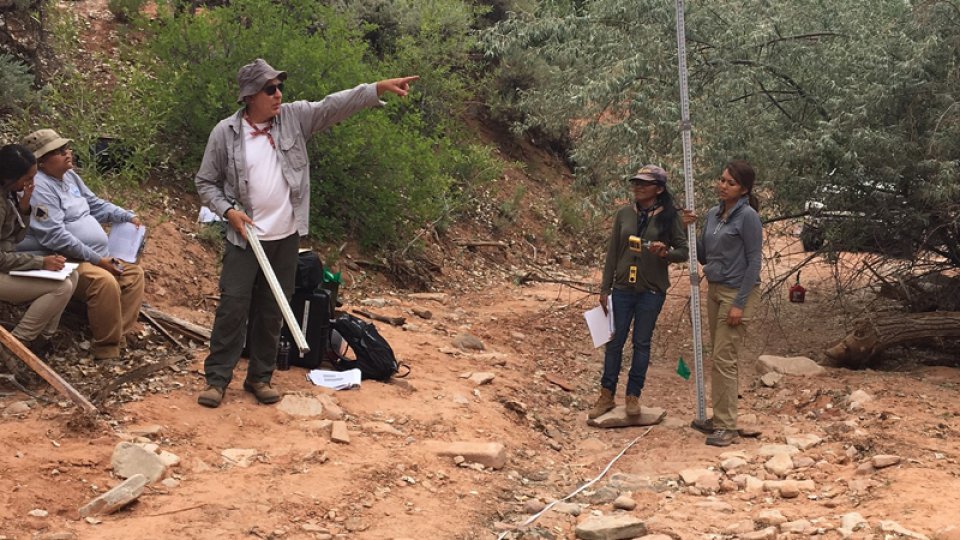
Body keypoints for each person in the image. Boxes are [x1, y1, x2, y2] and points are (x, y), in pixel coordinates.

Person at [194, 58, 418, 408]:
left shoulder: (294, 118)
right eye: (270, 89)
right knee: (232, 309)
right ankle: (217, 380)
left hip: (285, 238)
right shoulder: (225, 133)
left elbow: (333, 105)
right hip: (245, 239)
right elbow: (205, 182)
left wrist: (375, 89)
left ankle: (260, 377)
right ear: (250, 95)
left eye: (279, 86)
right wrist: (229, 212)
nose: (278, 94)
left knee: (273, 310)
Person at [17, 129, 145, 361]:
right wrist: (99, 261)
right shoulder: (39, 188)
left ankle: (120, 337)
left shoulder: (70, 177)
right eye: (58, 152)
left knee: (134, 275)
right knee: (104, 282)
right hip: (66, 258)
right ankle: (106, 350)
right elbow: (54, 236)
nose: (67, 153)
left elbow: (95, 205)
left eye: (66, 148)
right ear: (42, 162)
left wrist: (125, 216)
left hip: (96, 256)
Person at [591, 165, 689, 420]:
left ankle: (633, 395)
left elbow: (684, 251)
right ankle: (606, 394)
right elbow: (613, 252)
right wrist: (605, 287)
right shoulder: (624, 214)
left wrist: (664, 251)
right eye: (635, 183)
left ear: (658, 189)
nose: (638, 187)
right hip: (622, 287)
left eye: (644, 184)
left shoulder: (669, 217)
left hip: (652, 290)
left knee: (641, 343)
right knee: (614, 342)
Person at [683, 160, 762, 447]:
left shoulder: (748, 217)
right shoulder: (714, 215)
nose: (723, 185)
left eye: (730, 182)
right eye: (722, 179)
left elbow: (754, 261)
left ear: (743, 189)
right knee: (719, 357)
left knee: (724, 358)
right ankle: (718, 419)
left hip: (737, 292)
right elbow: (704, 254)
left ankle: (727, 425)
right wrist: (687, 230)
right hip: (715, 288)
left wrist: (739, 303)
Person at [0, 144, 78, 377]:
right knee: (60, 287)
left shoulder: (9, 195)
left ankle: (44, 340)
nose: (30, 184)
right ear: (10, 177)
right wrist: (39, 264)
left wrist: (24, 208)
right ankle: (16, 346)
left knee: (71, 274)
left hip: (7, 260)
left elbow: (14, 239)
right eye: (27, 178)